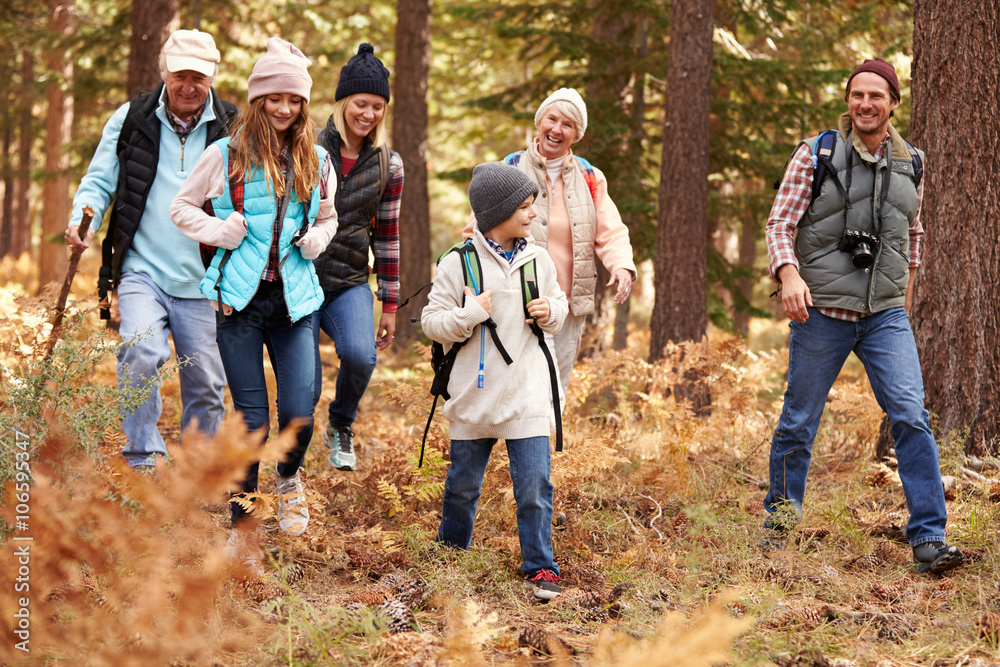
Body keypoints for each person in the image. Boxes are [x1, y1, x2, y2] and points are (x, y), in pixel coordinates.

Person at [764, 57, 963, 574]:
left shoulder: (913, 162)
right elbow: (779, 223)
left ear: (894, 103)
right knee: (799, 422)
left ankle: (928, 538)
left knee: (911, 416)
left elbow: (912, 235)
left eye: (877, 96)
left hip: (885, 317)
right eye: (858, 95)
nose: (866, 104)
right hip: (822, 312)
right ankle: (781, 529)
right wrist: (789, 276)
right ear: (848, 101)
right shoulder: (817, 153)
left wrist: (905, 300)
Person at [170, 37, 337, 574]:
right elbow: (181, 207)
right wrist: (220, 230)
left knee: (297, 413)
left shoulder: (319, 159)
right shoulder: (224, 155)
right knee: (251, 423)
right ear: (257, 100)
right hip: (238, 305)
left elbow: (329, 217)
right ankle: (242, 533)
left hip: (295, 302)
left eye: (294, 100)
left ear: (304, 105)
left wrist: (317, 240)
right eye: (273, 99)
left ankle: (289, 479)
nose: (284, 109)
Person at [65, 29, 237, 471]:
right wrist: (80, 219)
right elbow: (100, 181)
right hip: (143, 269)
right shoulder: (131, 117)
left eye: (198, 77)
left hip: (205, 278)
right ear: (165, 72)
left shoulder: (233, 126)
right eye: (180, 74)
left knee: (206, 381)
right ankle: (143, 458)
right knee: (140, 353)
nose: (188, 85)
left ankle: (196, 471)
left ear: (212, 78)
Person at [422, 162, 568, 600]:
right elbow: (432, 322)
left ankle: (541, 567)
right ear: (497, 213)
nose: (533, 215)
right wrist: (469, 315)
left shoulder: (537, 259)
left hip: (525, 394)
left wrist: (551, 312)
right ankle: (451, 556)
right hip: (474, 396)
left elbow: (558, 305)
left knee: (534, 488)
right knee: (463, 487)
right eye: (525, 207)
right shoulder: (457, 264)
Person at [464, 88, 636, 403]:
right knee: (509, 384)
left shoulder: (590, 177)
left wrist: (622, 265)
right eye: (552, 119)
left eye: (567, 124)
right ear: (539, 121)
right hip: (514, 300)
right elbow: (475, 230)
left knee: (555, 387)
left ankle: (546, 451)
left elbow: (611, 231)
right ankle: (510, 448)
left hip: (567, 305)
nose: (557, 129)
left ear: (577, 134)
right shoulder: (510, 169)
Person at [313, 43, 403, 471]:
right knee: (305, 385)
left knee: (361, 356)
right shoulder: (307, 146)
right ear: (344, 102)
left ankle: (341, 424)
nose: (368, 114)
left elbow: (386, 236)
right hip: (300, 277)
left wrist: (389, 301)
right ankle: (288, 452)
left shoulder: (389, 164)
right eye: (361, 104)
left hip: (349, 281)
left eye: (377, 106)